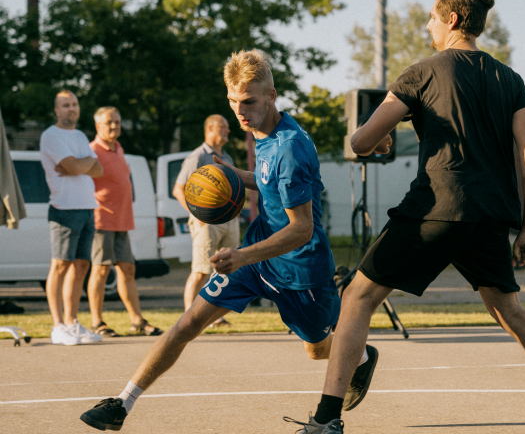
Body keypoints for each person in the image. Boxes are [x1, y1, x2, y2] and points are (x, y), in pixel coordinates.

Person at [291, 0, 525, 434]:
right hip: (488, 216)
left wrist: (380, 139)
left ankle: (326, 419)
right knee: (510, 311)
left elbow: (360, 139)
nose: (427, 26)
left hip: (434, 209)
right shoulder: (511, 79)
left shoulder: (421, 73)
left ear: (452, 19)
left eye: (430, 18)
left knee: (357, 297)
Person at [79, 49, 377, 431]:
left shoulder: (290, 147)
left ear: (272, 94)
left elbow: (301, 228)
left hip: (301, 271)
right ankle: (121, 403)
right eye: (234, 101)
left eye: (249, 101)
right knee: (187, 323)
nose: (240, 111)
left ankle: (362, 357)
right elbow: (268, 181)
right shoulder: (263, 134)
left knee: (318, 349)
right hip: (255, 260)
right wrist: (235, 174)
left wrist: (240, 255)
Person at [87, 106, 163, 337]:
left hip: (122, 219)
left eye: (117, 122)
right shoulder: (92, 151)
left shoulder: (118, 148)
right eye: (109, 122)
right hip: (101, 219)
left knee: (128, 269)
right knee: (101, 270)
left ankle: (137, 320)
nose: (114, 126)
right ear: (98, 126)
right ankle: (97, 322)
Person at [40, 90, 103, 346]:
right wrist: (82, 164)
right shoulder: (50, 135)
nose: (71, 109)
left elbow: (97, 169)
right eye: (65, 105)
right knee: (60, 266)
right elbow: (76, 167)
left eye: (74, 104)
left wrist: (81, 163)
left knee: (81, 267)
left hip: (87, 207)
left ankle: (72, 322)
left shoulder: (79, 135)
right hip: (64, 209)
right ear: (56, 110)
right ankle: (57, 326)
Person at [171, 114, 239, 326]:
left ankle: (215, 317)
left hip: (229, 220)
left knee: (226, 269)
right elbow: (178, 189)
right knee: (201, 270)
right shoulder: (198, 156)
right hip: (207, 221)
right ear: (210, 128)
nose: (228, 130)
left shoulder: (227, 157)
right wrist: (196, 213)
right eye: (223, 126)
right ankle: (188, 319)